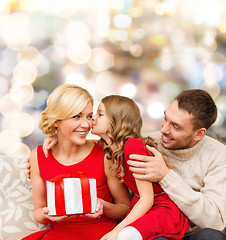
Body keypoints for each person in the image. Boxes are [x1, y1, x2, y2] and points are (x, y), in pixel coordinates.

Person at [22, 84, 130, 240]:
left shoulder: (104, 153)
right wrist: (49, 215)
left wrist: (102, 206)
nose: (86, 124)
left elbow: (124, 207)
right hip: (59, 236)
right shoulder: (37, 157)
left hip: (102, 235)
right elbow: (38, 212)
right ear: (56, 120)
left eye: (89, 116)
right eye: (77, 116)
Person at [127, 89, 226, 240]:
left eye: (176, 126)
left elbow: (215, 222)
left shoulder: (218, 156)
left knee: (212, 236)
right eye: (165, 118)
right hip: (153, 230)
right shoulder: (147, 143)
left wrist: (166, 176)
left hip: (192, 234)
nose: (163, 129)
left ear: (199, 134)